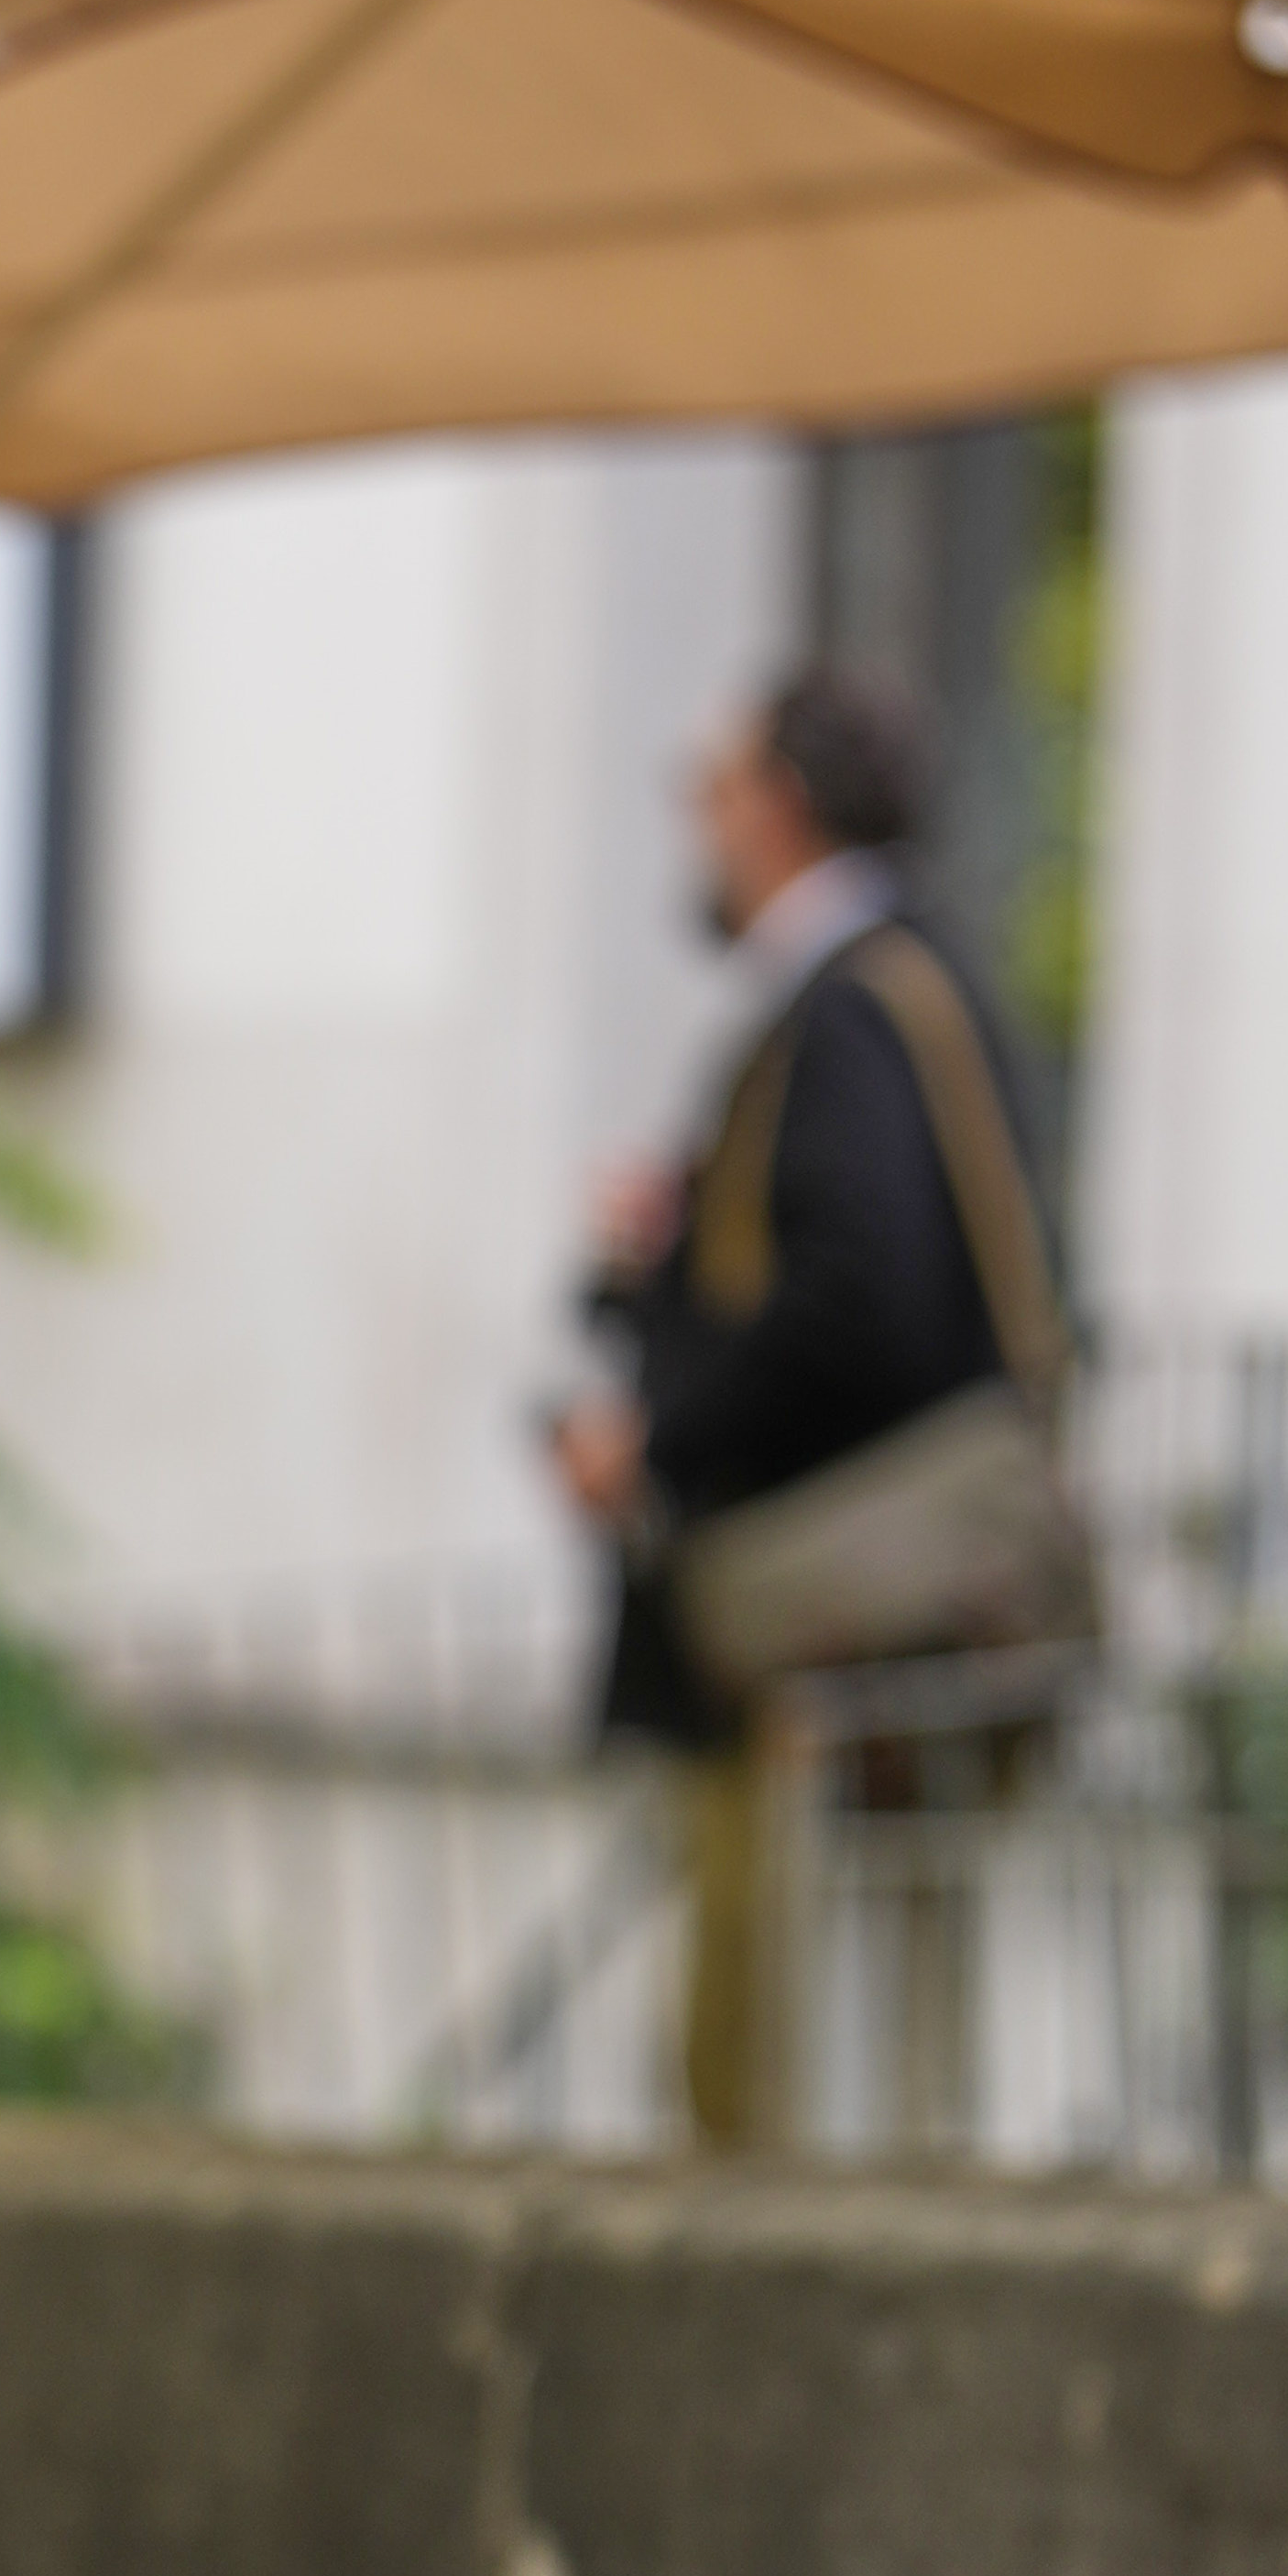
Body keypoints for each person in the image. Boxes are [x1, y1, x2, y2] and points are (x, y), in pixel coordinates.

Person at [556, 663, 1060, 2151]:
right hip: (915, 1592)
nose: (696, 826)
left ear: (780, 803)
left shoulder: (846, 1008)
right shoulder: (916, 983)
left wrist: (659, 1430)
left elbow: (860, 1303)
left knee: (773, 2026)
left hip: (832, 1602)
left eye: (710, 788)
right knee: (909, 1998)